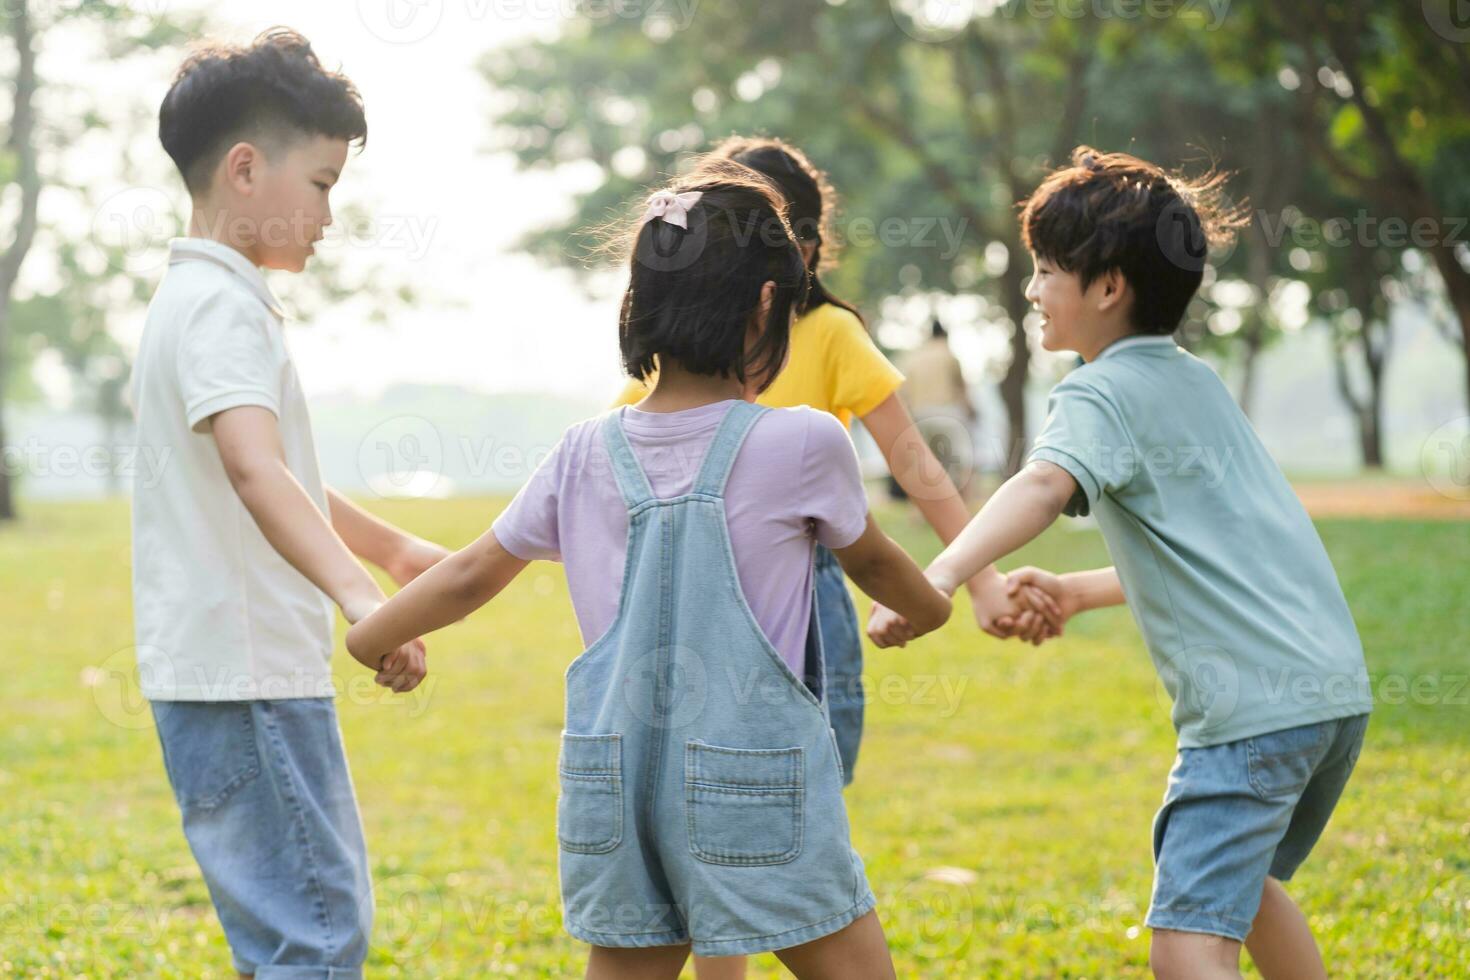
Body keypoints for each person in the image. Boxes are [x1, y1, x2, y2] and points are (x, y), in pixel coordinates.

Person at [346, 168, 968, 978]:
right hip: (750, 778)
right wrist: (934, 608)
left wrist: (372, 635)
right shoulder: (802, 442)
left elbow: (468, 574)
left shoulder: (582, 450)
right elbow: (877, 562)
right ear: (766, 305)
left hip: (616, 785)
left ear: (636, 306)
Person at [869, 147, 1372, 980]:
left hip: (1248, 714)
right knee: (1241, 895)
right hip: (1327, 698)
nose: (1031, 290)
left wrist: (944, 574)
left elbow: (1039, 485)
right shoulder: (1196, 385)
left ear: (1107, 287)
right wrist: (1075, 590)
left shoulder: (1097, 393)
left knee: (1185, 942)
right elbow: (1221, 560)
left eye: (1045, 270)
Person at [131, 30, 442, 978]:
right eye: (321, 185)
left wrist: (390, 549)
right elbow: (255, 472)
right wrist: (365, 602)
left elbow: (273, 466)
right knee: (315, 934)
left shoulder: (195, 298)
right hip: (251, 677)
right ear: (244, 169)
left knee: (286, 934)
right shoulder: (223, 309)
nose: (328, 216)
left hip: (225, 674)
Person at [893, 318, 980, 502]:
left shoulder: (914, 358)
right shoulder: (949, 355)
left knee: (922, 465)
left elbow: (904, 393)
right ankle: (966, 506)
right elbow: (962, 389)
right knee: (964, 461)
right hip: (948, 413)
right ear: (945, 335)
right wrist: (972, 411)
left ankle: (916, 514)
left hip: (920, 415)